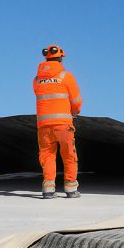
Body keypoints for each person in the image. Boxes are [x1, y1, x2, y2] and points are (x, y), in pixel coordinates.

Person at [33, 44, 82, 199]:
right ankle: (71, 189)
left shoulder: (37, 79)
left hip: (43, 126)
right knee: (69, 155)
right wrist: (75, 112)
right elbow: (76, 100)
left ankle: (48, 190)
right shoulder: (66, 76)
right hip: (63, 124)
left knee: (47, 156)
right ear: (60, 58)